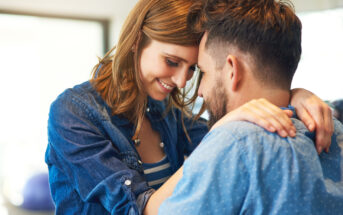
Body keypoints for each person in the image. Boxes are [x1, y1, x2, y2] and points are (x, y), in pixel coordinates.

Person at [45, 0, 333, 214]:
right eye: (171, 61)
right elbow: (139, 209)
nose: (182, 81)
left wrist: (295, 94)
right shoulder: (73, 113)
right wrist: (225, 127)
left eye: (194, 69)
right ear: (135, 42)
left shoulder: (167, 114)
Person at [158, 0, 343, 214]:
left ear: (232, 70)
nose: (200, 90)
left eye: (204, 72)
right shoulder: (333, 130)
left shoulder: (233, 143)